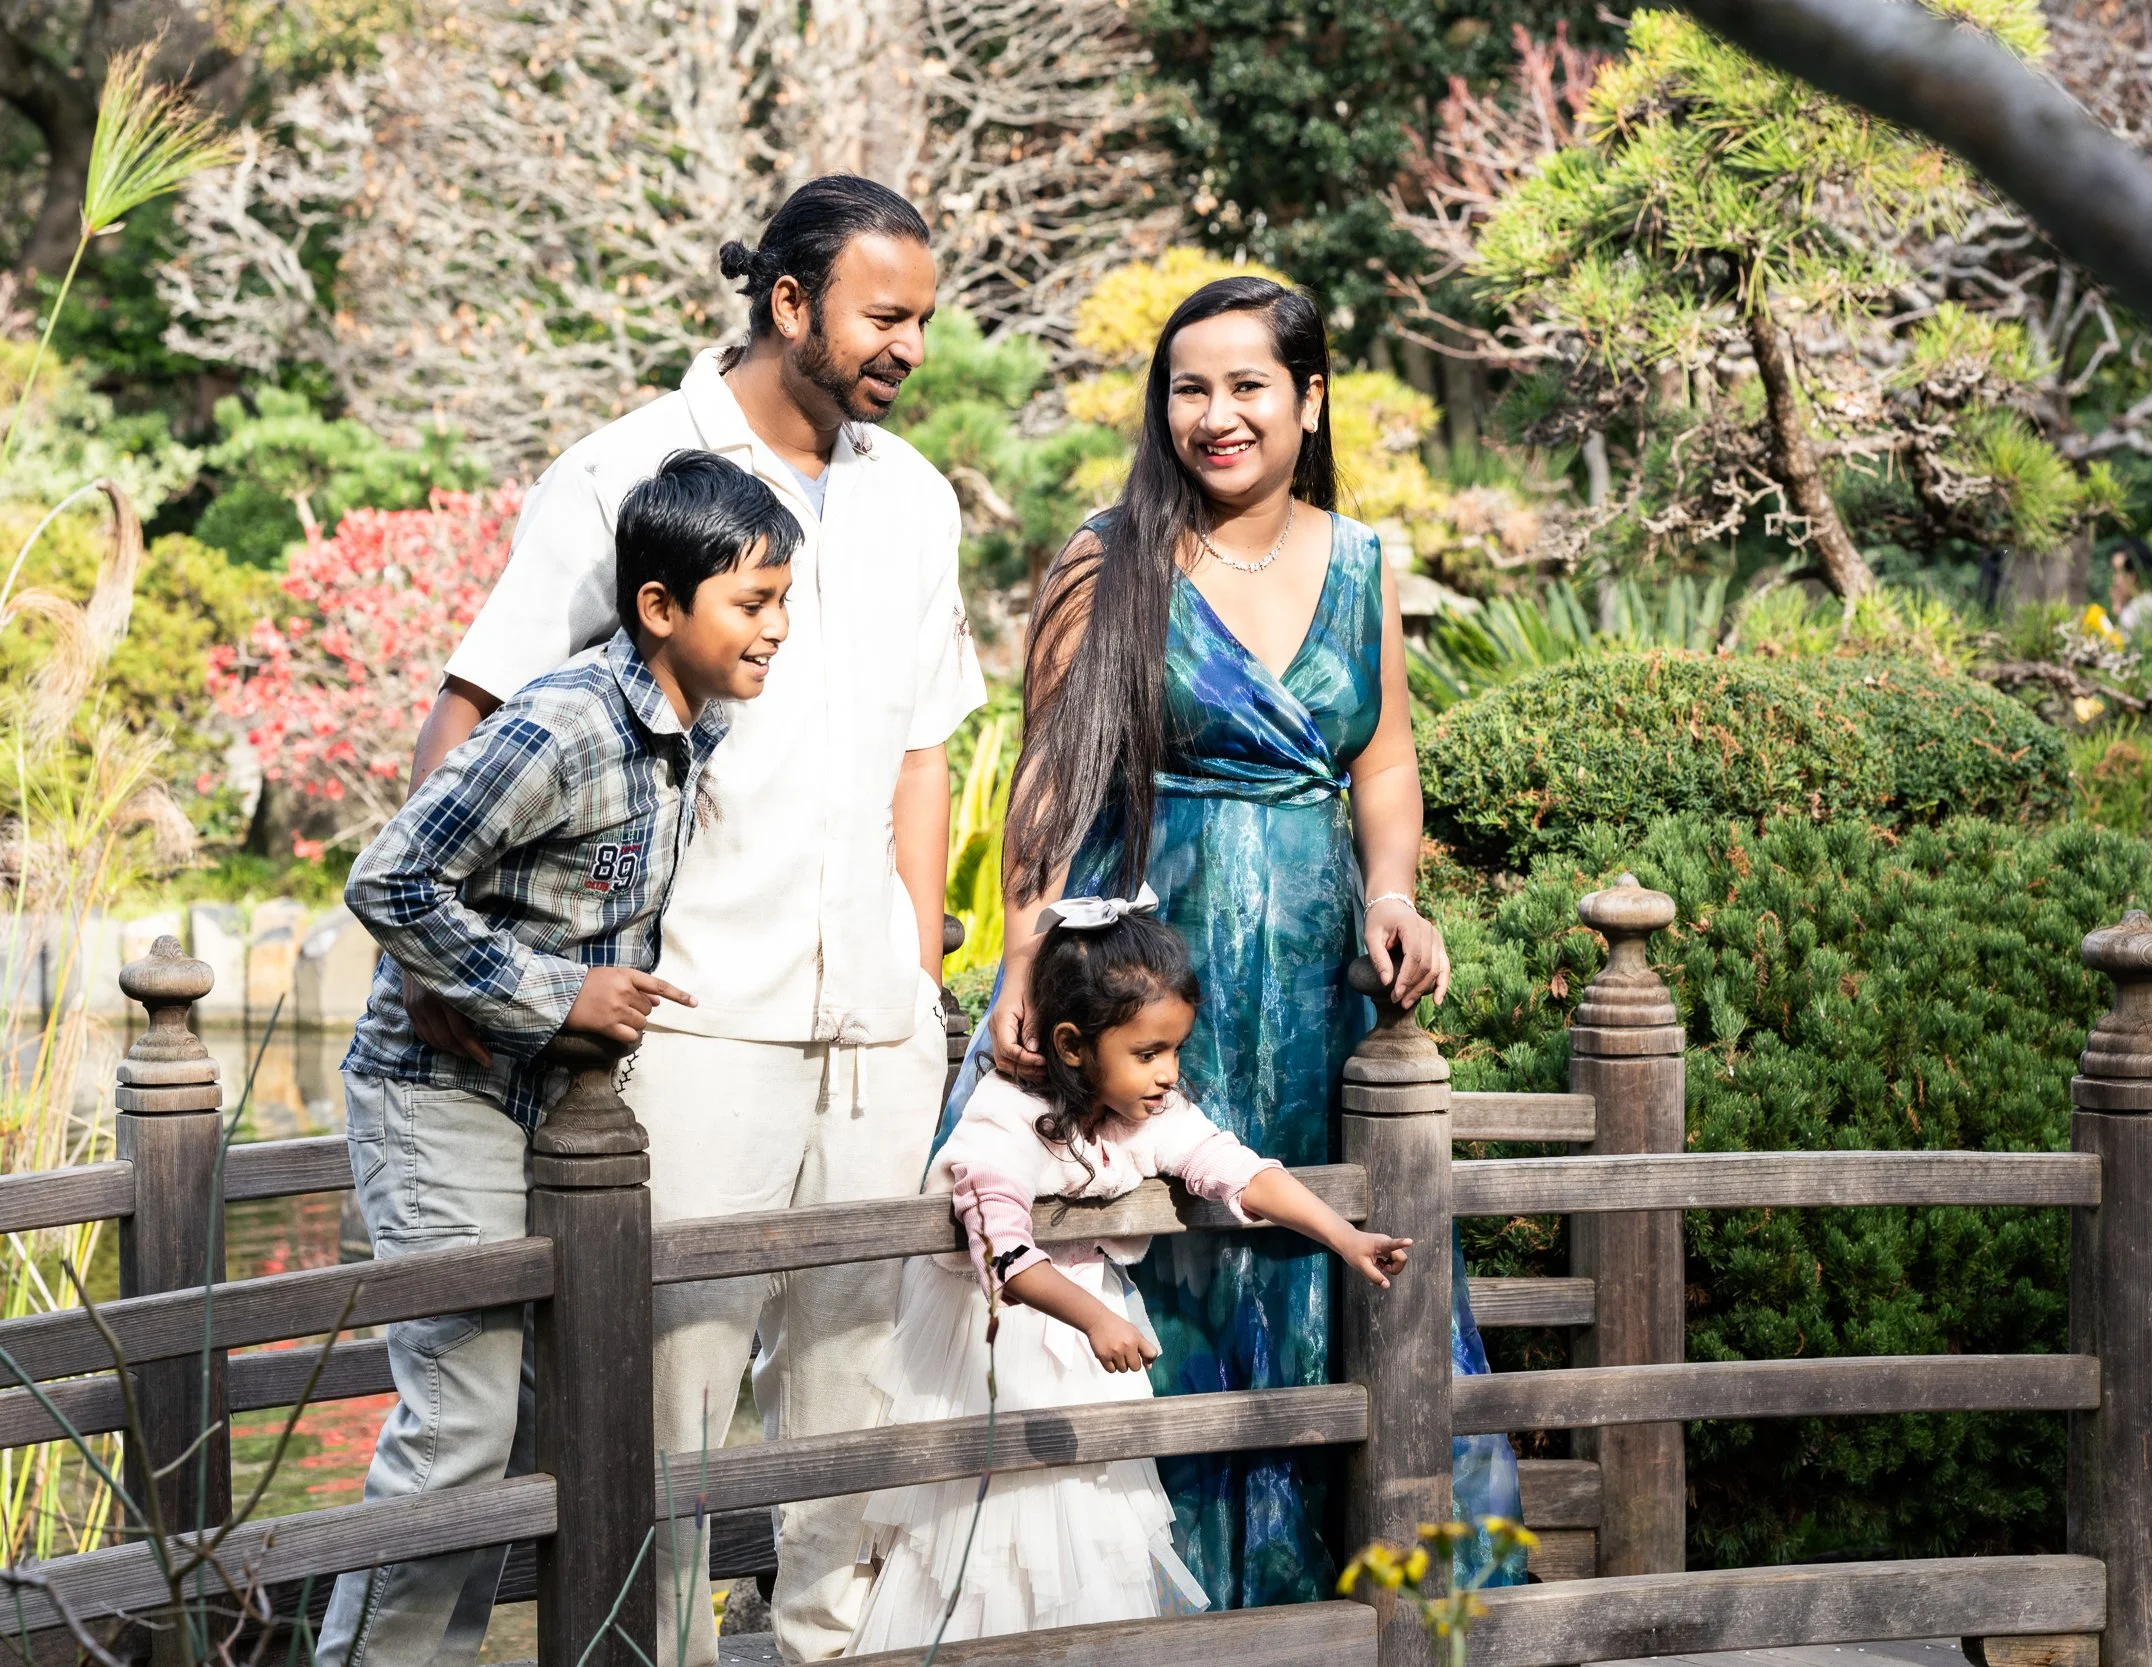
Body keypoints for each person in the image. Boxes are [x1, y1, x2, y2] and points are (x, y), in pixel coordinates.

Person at [400, 175, 984, 1665]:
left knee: (860, 1376)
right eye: (884, 314)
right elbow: (474, 712)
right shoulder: (627, 467)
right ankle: (639, 1654)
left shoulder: (915, 497)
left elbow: (928, 746)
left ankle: (821, 1647)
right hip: (688, 1018)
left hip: (875, 1024)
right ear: (789, 303)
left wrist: (918, 967)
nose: (910, 344)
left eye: (925, 315)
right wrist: (465, 974)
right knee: (667, 1387)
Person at [943, 275, 1526, 1601]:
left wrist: (1393, 892)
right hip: (1157, 979)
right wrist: (1028, 958)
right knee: (1169, 1257)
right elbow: (1051, 777)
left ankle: (1366, 1599)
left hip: (1317, 990)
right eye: (1188, 387)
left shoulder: (1364, 557)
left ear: (1309, 398)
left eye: (1249, 385)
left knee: (1319, 1248)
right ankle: (1175, 1607)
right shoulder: (1109, 560)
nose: (1217, 415)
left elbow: (1382, 758)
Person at [320, 451, 801, 1667]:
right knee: (463, 1421)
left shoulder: (702, 725)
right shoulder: (565, 721)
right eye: (752, 603)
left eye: (783, 600)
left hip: (554, 1114)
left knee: (573, 1416)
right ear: (659, 607)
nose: (776, 630)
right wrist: (553, 991)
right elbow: (387, 878)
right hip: (442, 1095)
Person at [850, 896, 1411, 1651]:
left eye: (1175, 1049)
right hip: (999, 1343)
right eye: (1149, 1052)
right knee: (995, 1531)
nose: (1168, 1073)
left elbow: (1235, 1171)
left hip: (1086, 1341)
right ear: (1073, 1044)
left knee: (1092, 1517)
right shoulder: (1002, 1121)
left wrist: (1346, 1237)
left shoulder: (1147, 1111)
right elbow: (1003, 1253)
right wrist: (1093, 1316)